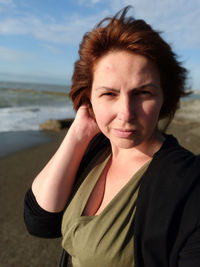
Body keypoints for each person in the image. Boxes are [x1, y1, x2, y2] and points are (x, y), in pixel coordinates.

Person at [24, 6, 200, 267]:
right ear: (89, 97)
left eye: (143, 93)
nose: (126, 113)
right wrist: (78, 133)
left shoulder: (189, 184)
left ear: (164, 97)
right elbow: (39, 220)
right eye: (109, 94)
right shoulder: (96, 148)